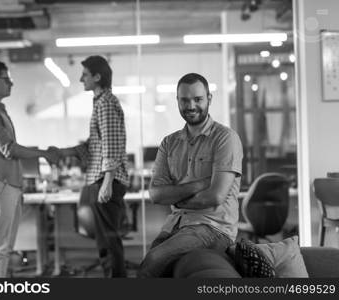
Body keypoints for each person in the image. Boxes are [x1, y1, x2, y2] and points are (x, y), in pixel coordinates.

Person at [137, 73, 243, 278]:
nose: (191, 105)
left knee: (152, 263)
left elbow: (215, 197)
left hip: (214, 228)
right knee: (152, 264)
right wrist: (201, 184)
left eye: (198, 99)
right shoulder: (169, 143)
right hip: (176, 225)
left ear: (209, 99)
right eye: (185, 100)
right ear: (177, 101)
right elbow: (156, 195)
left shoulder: (225, 138)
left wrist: (175, 198)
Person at [0, 61, 58, 277]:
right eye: (6, 79)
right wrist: (44, 154)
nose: (11, 84)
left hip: (8, 185)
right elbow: (8, 149)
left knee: (4, 249)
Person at [51, 55, 129, 277]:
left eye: (84, 74)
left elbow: (111, 145)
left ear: (97, 76)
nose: (80, 79)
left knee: (109, 241)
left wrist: (106, 183)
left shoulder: (105, 103)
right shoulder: (100, 103)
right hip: (102, 178)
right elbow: (94, 144)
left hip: (106, 180)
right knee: (106, 241)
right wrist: (62, 153)